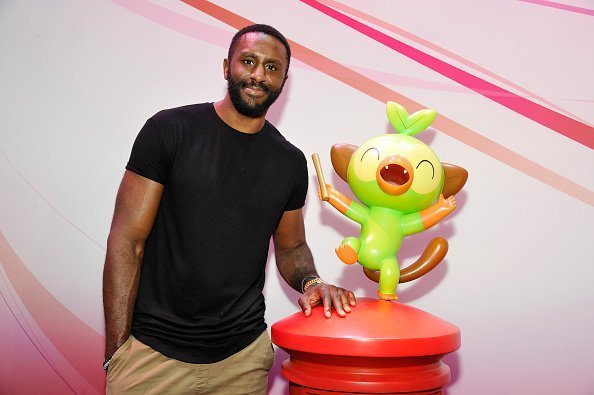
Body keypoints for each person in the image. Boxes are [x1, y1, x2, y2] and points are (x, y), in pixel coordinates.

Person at [102, 24, 356, 394]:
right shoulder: (170, 130)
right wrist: (118, 352)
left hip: (242, 362)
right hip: (152, 356)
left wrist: (313, 281)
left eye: (272, 67)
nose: (258, 74)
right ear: (227, 67)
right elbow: (127, 241)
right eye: (248, 61)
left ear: (284, 80)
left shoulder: (289, 162)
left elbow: (291, 248)